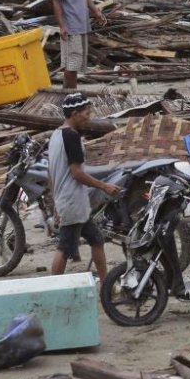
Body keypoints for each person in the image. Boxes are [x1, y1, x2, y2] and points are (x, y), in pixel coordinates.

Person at [49, 93, 121, 277]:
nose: (88, 118)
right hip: (72, 201)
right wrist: (104, 186)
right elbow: (77, 173)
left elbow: (50, 173)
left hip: (71, 201)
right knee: (65, 249)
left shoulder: (55, 135)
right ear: (74, 113)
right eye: (86, 113)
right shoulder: (71, 137)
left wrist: (55, 201)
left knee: (97, 239)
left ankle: (106, 284)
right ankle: (51, 289)